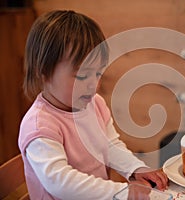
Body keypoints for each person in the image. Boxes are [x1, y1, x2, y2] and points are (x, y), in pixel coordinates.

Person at [18, 10, 168, 199]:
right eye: (82, 75)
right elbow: (60, 182)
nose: (93, 84)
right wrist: (122, 192)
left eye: (98, 73)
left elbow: (110, 145)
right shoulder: (40, 125)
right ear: (43, 72)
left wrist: (135, 168)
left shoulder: (94, 104)